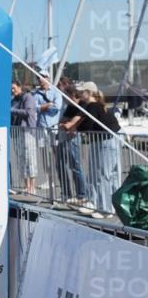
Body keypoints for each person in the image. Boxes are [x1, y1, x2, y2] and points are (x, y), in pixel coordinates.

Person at [76, 81, 121, 219]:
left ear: (89, 93)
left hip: (104, 142)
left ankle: (105, 209)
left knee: (102, 175)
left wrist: (75, 127)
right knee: (110, 175)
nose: (79, 94)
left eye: (82, 91)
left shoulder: (93, 106)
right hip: (109, 140)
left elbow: (87, 125)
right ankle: (111, 206)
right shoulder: (99, 105)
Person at [57, 80, 94, 214]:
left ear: (72, 95)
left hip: (73, 139)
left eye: (65, 96)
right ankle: (66, 193)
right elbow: (62, 122)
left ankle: (81, 194)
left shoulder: (82, 105)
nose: (63, 98)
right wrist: (68, 123)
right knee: (60, 165)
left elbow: (69, 124)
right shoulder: (70, 107)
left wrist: (69, 124)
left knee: (75, 166)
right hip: (63, 138)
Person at [10, 81, 39, 195]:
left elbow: (28, 112)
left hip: (27, 131)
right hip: (17, 131)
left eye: (14, 88)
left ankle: (32, 186)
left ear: (19, 87)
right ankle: (26, 186)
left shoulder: (28, 97)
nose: (13, 90)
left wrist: (12, 110)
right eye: (11, 89)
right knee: (21, 159)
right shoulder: (13, 100)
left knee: (30, 158)